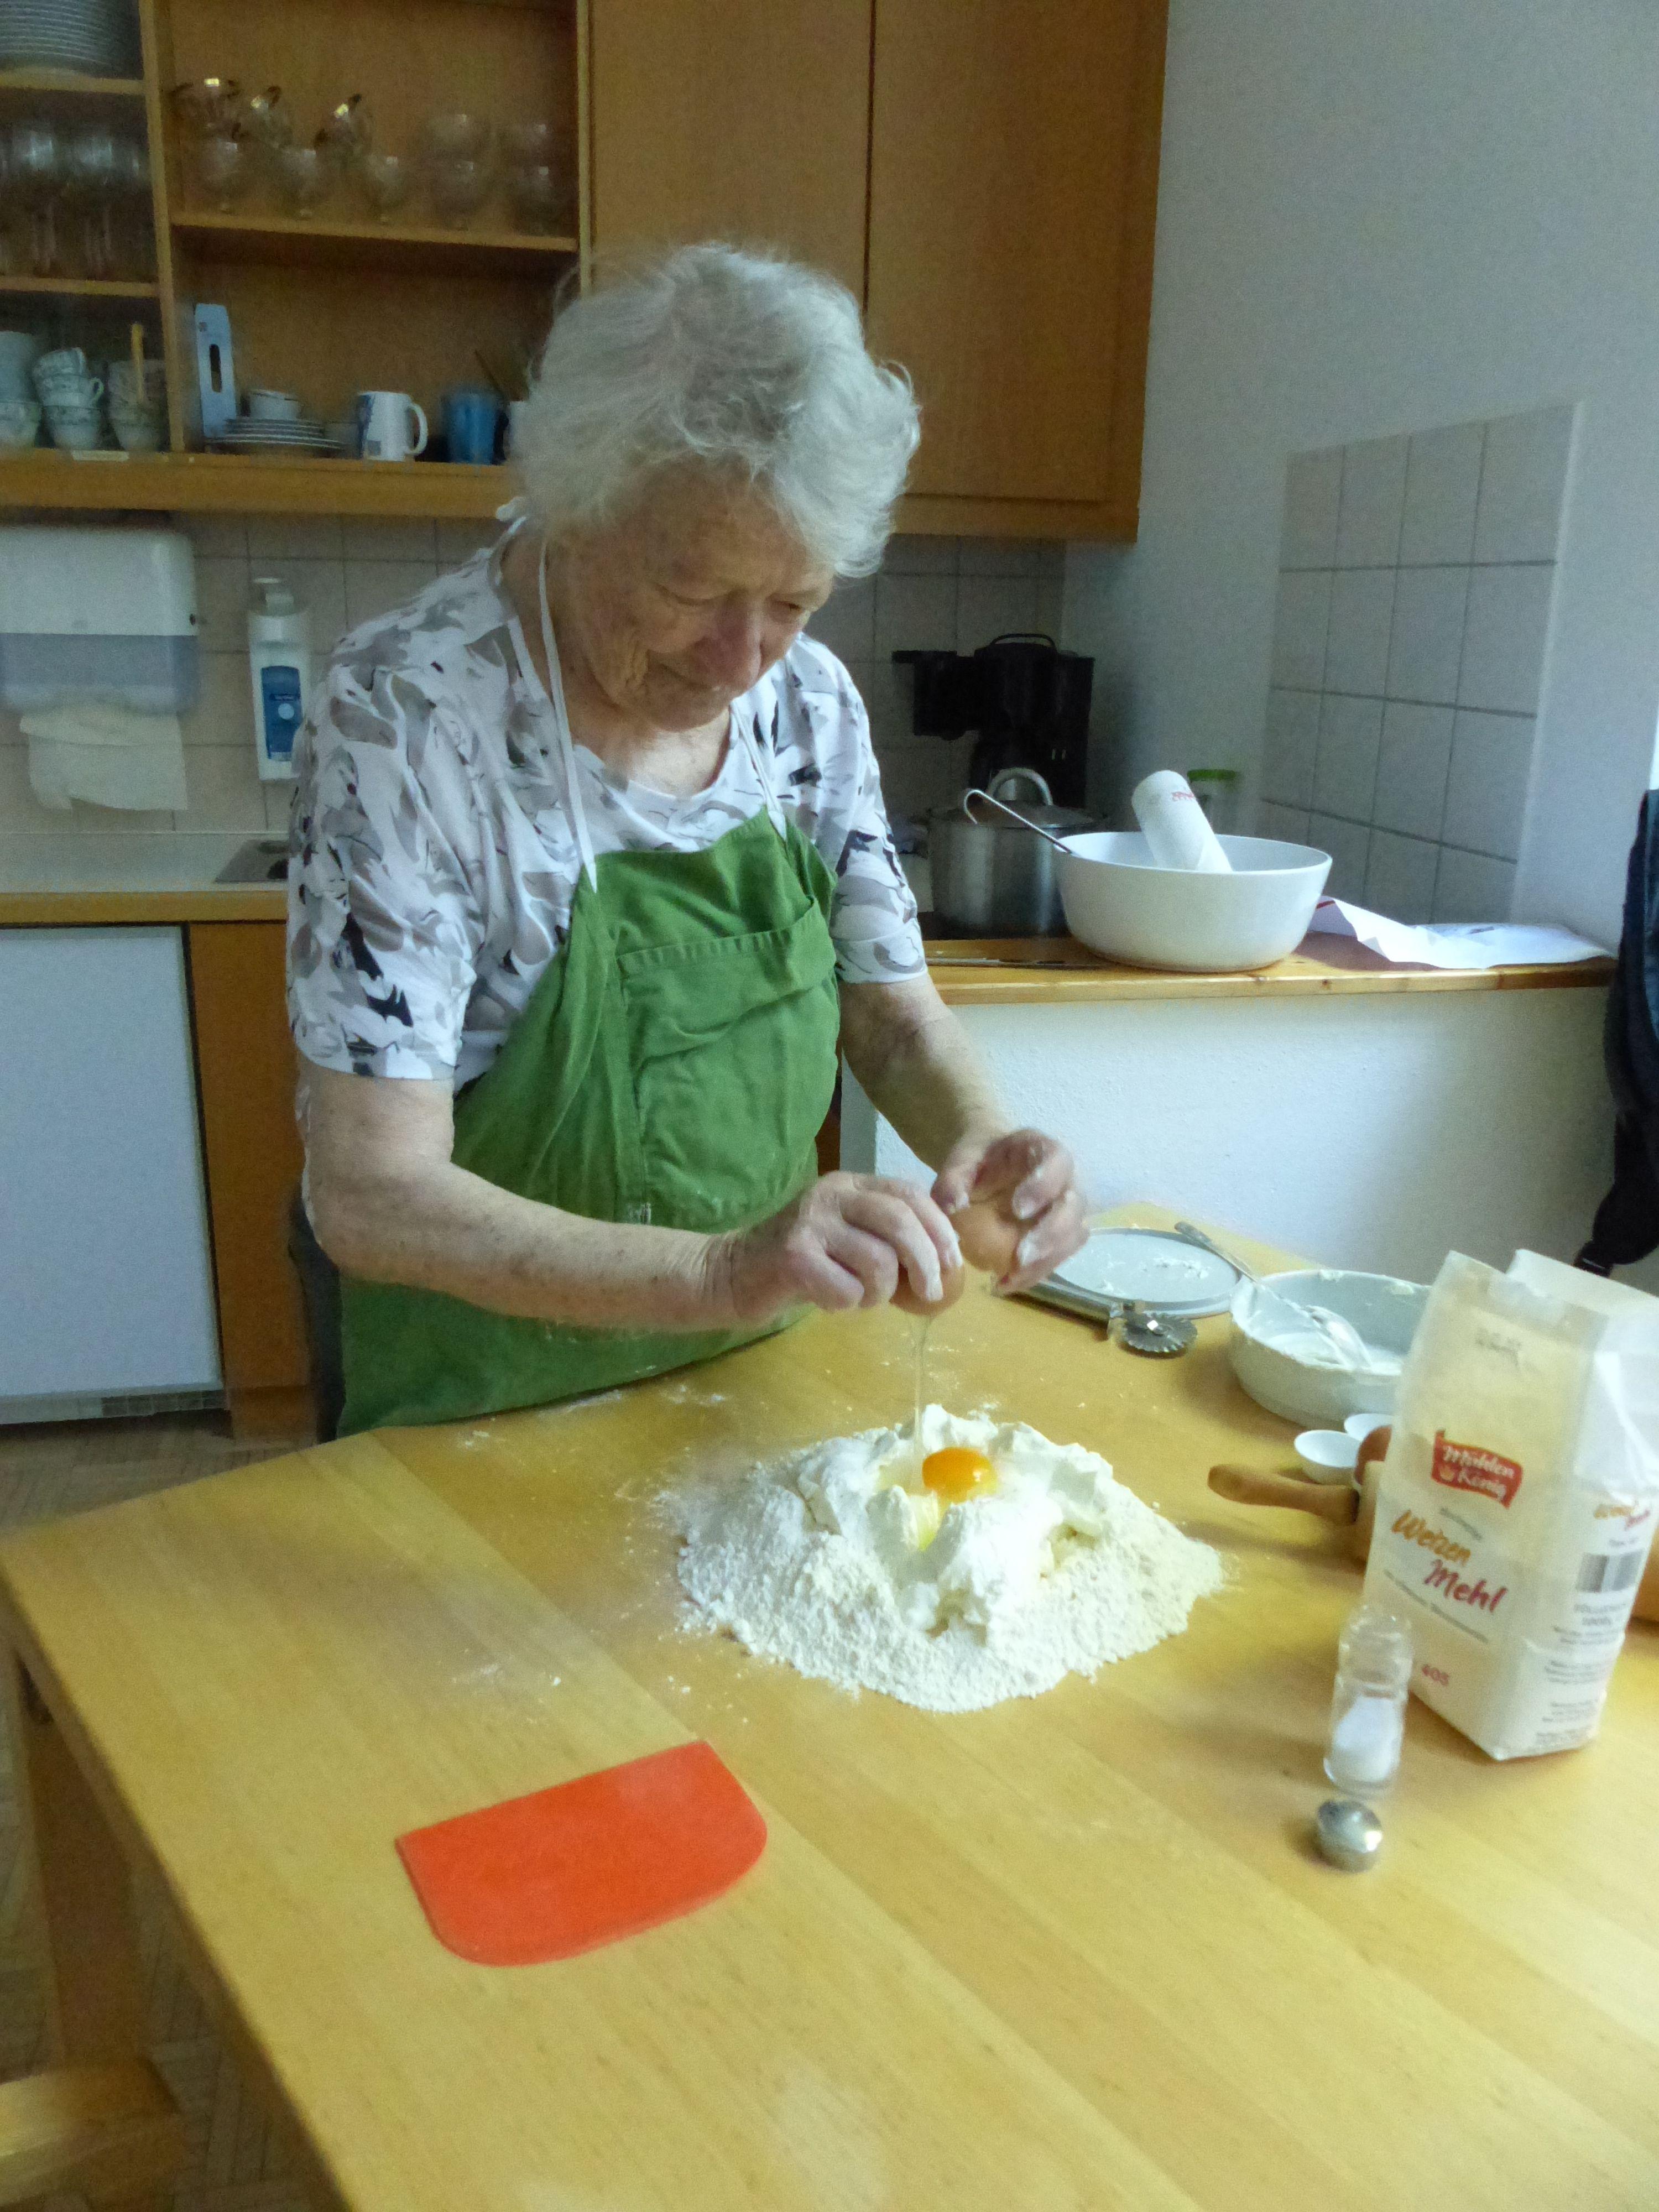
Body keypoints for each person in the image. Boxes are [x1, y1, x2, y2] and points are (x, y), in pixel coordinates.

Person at [287, 243, 1087, 1437]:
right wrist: (720, 1269)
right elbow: (371, 1193)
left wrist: (984, 1143)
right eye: (694, 590)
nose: (743, 657)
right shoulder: (407, 718)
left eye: (796, 601)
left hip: (750, 1389)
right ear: (574, 508)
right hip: (487, 1411)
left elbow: (893, 1015)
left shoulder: (809, 706)